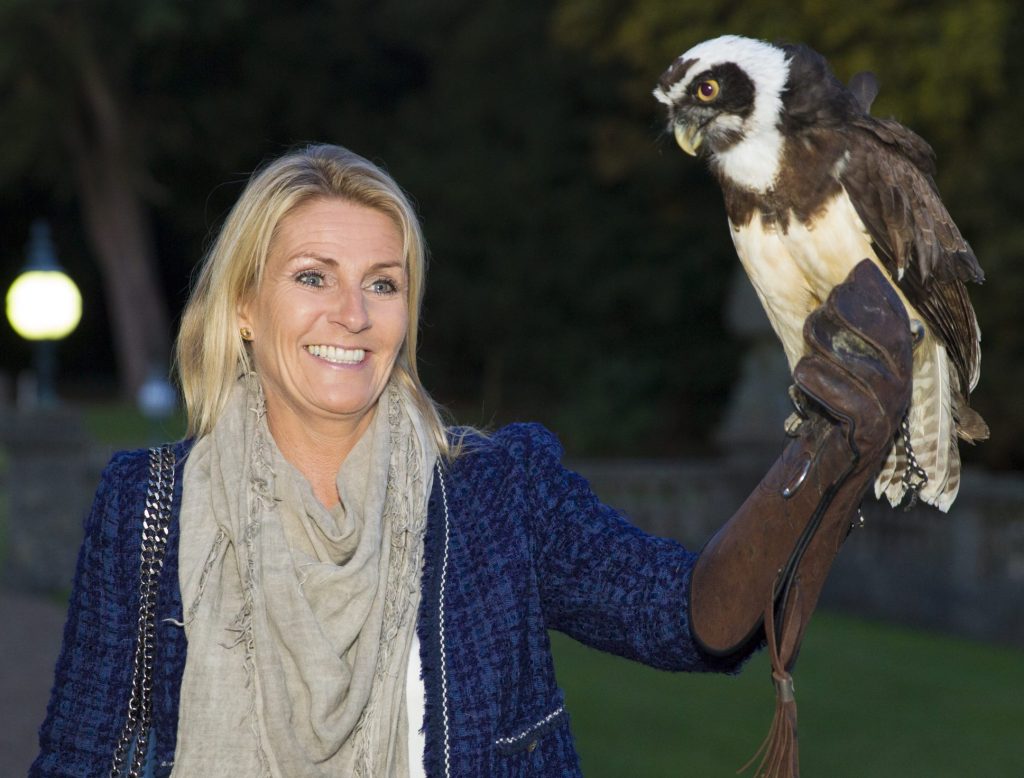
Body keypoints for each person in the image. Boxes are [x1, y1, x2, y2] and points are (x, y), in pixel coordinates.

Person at [32, 143, 912, 778]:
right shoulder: (148, 505)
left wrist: (815, 457)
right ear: (245, 310)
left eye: (383, 282)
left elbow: (688, 618)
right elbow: (79, 755)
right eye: (312, 277)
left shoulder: (498, 492)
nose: (352, 312)